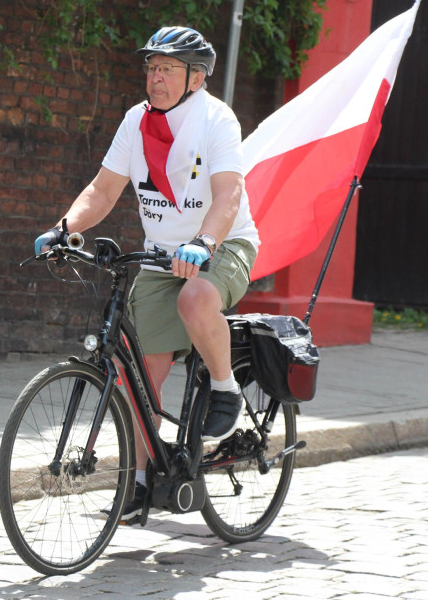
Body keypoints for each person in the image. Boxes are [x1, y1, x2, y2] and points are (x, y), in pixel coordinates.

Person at [34, 26, 260, 523]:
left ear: (195, 78)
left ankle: (225, 388)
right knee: (140, 377)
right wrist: (63, 228)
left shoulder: (216, 120)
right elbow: (103, 189)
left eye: (167, 69)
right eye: (151, 68)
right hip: (162, 254)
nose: (155, 78)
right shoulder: (136, 121)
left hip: (221, 244)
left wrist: (203, 243)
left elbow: (228, 195)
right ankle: (137, 486)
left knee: (195, 300)